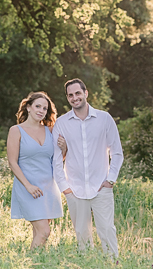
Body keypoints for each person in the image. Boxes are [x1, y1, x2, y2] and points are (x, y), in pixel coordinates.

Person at [53, 78, 124, 258]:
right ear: (67, 98)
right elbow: (55, 158)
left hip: (101, 186)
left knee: (107, 230)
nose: (74, 98)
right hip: (74, 189)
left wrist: (110, 180)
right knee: (82, 236)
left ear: (86, 93)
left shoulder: (104, 119)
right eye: (70, 95)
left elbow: (116, 152)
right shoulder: (61, 123)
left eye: (78, 93)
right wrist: (64, 188)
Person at [7, 91, 65, 248]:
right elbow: (12, 162)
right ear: (28, 107)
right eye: (38, 106)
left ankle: (37, 268)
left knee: (40, 233)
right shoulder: (16, 130)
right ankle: (28, 265)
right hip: (29, 187)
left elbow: (57, 160)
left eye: (45, 108)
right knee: (44, 232)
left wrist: (64, 148)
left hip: (49, 187)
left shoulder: (50, 130)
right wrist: (28, 186)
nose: (41, 111)